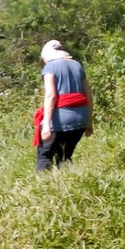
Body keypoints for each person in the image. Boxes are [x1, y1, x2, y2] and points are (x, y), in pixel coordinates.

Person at [33, 40, 94, 171]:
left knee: (44, 155)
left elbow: (51, 96)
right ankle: (68, 180)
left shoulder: (49, 68)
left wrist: (46, 125)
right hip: (80, 121)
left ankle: (44, 182)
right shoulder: (77, 65)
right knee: (65, 156)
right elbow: (89, 96)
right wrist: (89, 122)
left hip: (60, 120)